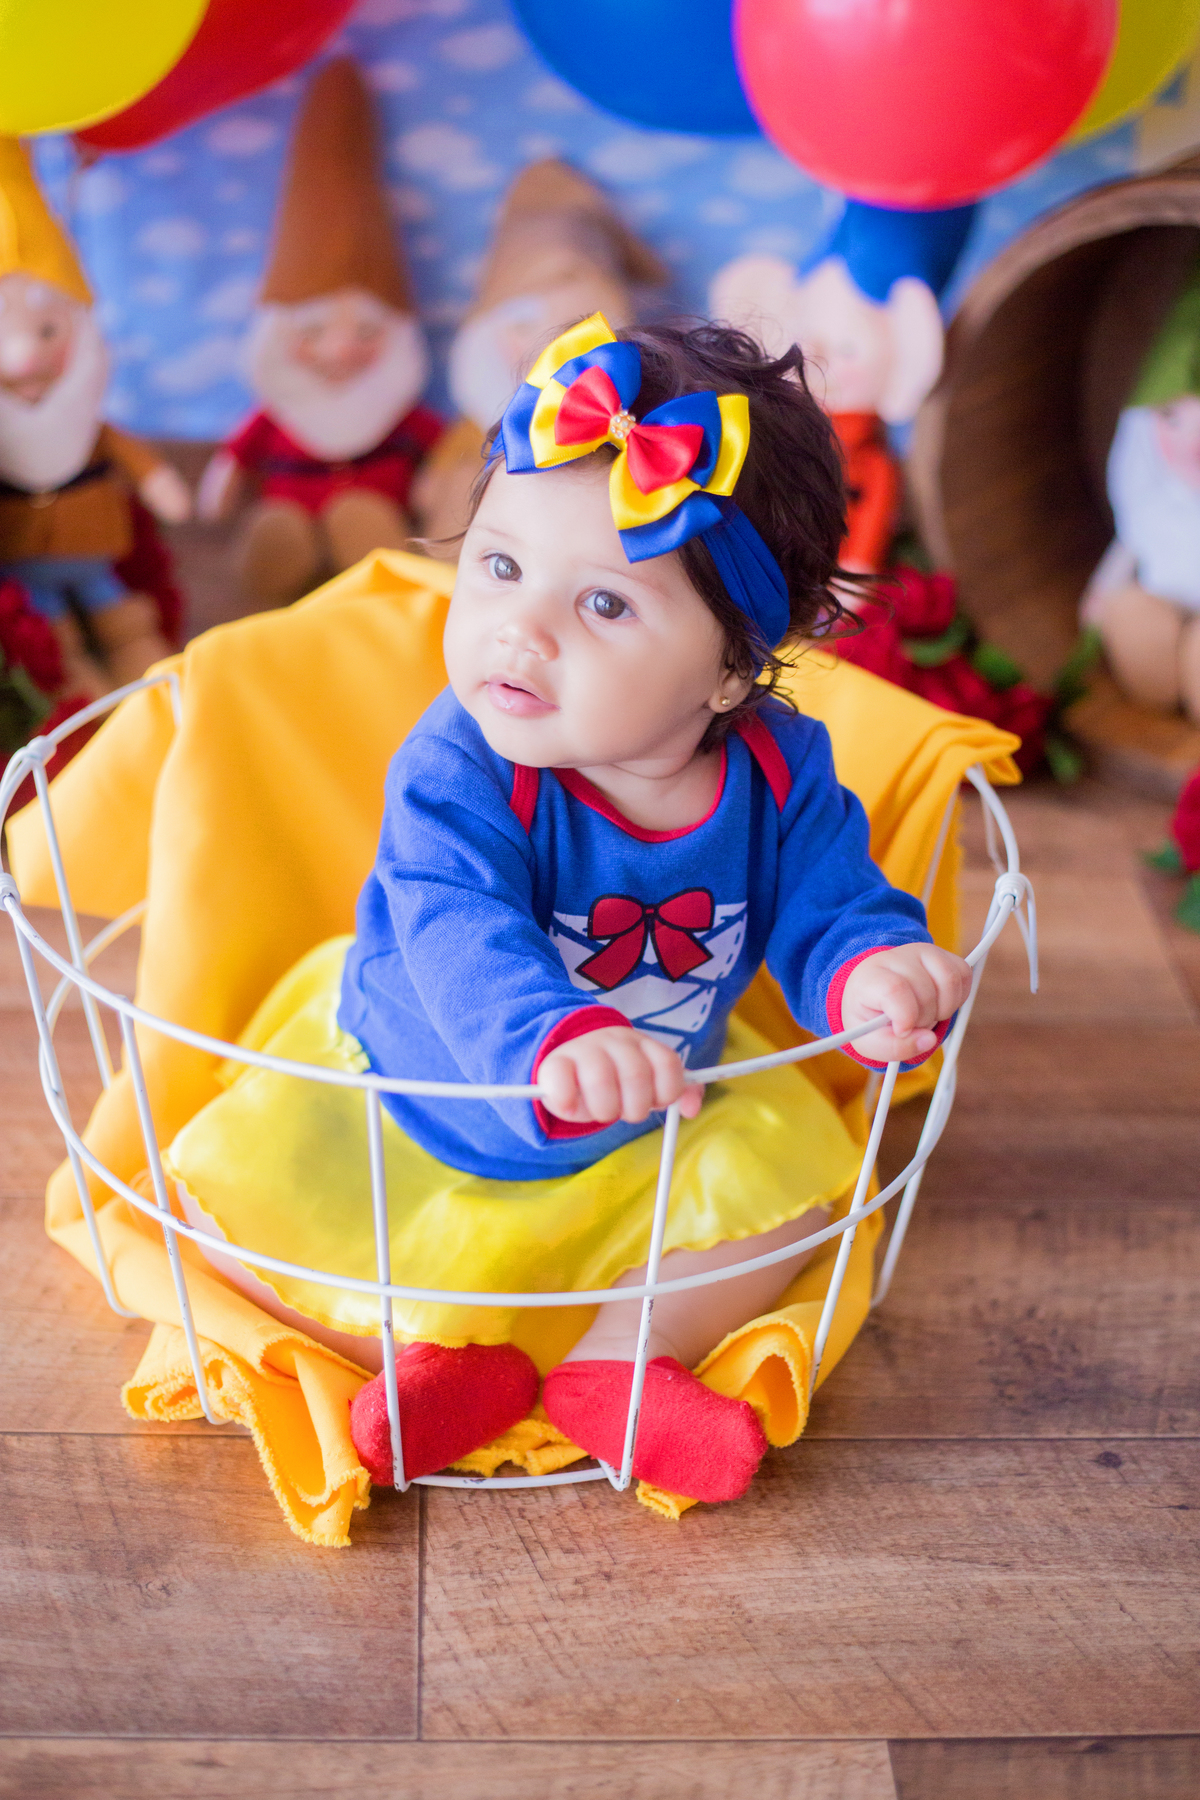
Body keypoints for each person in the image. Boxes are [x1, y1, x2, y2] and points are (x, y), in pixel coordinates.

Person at [172, 315, 971, 1510]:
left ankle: (614, 1360)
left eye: (604, 606)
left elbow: (827, 897)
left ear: (730, 671)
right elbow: (457, 928)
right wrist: (555, 1038)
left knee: (801, 1192)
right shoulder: (459, 766)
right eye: (498, 566)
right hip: (425, 1085)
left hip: (659, 1106)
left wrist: (872, 971)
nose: (519, 629)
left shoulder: (781, 772)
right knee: (247, 1228)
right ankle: (452, 1358)